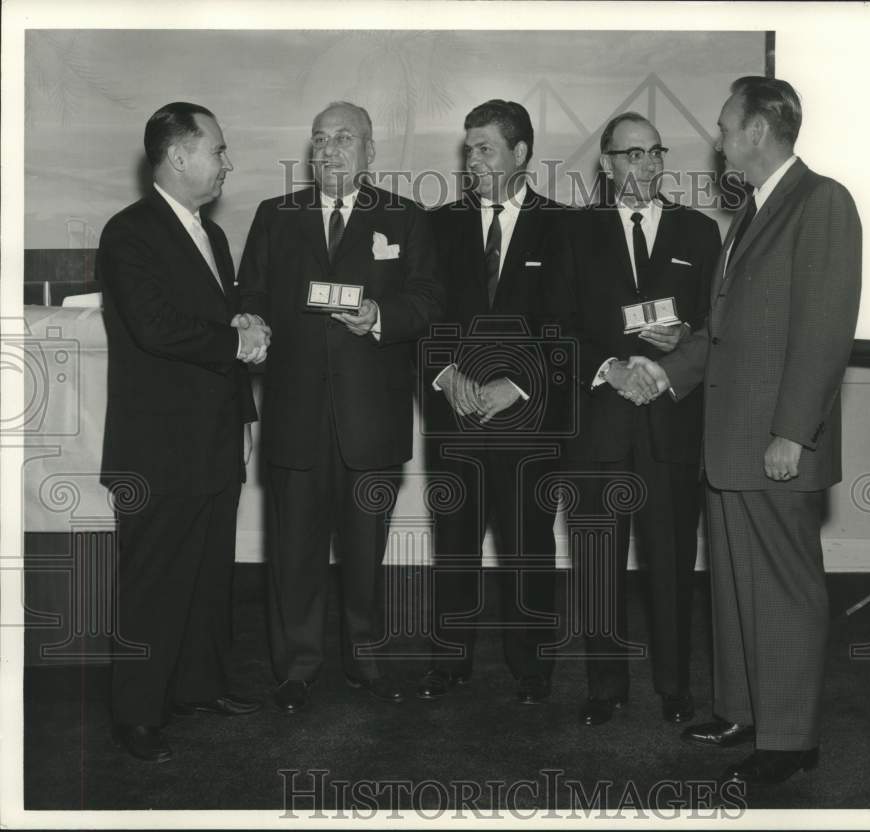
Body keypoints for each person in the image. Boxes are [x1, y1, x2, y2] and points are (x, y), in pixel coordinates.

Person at [655, 76, 862, 785]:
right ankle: (742, 712)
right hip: (732, 440)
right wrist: (664, 372)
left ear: (757, 131)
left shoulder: (822, 201)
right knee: (737, 586)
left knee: (782, 591)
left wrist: (793, 434)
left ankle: (790, 740)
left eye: (724, 127)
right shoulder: (751, 212)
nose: (717, 142)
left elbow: (824, 331)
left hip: (775, 441)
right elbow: (724, 330)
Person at [238, 101, 444, 712]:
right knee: (293, 553)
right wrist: (249, 319)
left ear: (370, 152)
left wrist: (380, 316)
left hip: (370, 420)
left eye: (344, 138)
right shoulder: (275, 216)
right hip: (295, 415)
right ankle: (296, 668)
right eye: (320, 139)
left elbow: (429, 300)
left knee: (365, 553)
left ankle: (366, 661)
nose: (329, 150)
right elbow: (251, 292)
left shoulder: (405, 217)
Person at [99, 102, 268, 763]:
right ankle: (137, 715)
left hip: (215, 440)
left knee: (207, 576)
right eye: (218, 150)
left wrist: (244, 412)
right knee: (154, 583)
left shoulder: (211, 235)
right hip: (160, 448)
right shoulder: (129, 233)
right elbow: (155, 327)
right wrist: (236, 339)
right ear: (178, 156)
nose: (228, 163)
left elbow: (219, 321)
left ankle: (199, 687)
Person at [546, 112, 721, 727]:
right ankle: (605, 686)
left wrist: (681, 340)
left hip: (670, 422)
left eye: (655, 152)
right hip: (599, 423)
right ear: (606, 163)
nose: (646, 165)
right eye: (631, 155)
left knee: (671, 562)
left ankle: (674, 685)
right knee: (597, 563)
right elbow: (555, 330)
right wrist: (610, 369)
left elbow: (716, 325)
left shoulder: (699, 232)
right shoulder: (572, 232)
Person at [418, 100, 568, 705]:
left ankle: (532, 667)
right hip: (454, 416)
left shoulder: (563, 227)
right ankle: (449, 661)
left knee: (529, 546)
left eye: (485, 148)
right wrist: (444, 372)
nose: (472, 159)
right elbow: (422, 312)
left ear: (521, 153)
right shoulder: (437, 225)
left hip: (529, 421)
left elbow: (567, 325)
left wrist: (519, 384)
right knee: (453, 543)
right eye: (469, 148)